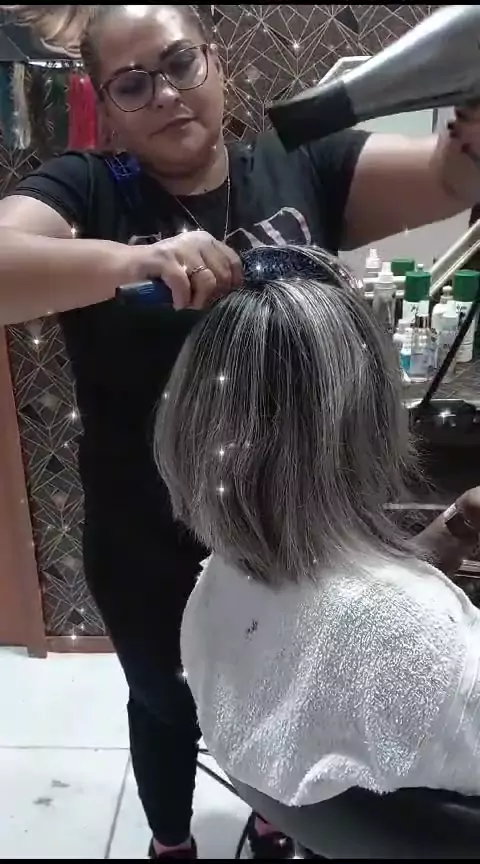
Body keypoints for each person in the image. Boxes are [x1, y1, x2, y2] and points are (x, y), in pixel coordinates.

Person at [1, 4, 480, 858]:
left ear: (215, 62)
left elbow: (449, 180)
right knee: (164, 702)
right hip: (149, 531)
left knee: (295, 693)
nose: (165, 93)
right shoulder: (88, 189)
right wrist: (136, 261)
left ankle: (276, 813)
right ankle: (171, 842)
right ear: (105, 105)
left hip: (299, 527)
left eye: (180, 63)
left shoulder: (303, 165)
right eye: (132, 84)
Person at [156, 243, 480, 810]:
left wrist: (456, 526)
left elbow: (355, 613)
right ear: (372, 420)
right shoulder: (422, 644)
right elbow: (390, 634)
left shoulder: (223, 583)